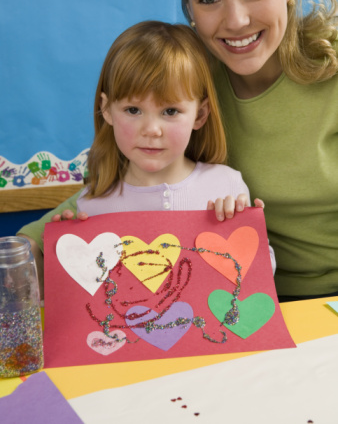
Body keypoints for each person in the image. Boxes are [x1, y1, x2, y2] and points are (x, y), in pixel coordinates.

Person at [18, 21, 272, 298]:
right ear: (107, 109)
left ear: (199, 115)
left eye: (171, 111)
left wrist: (241, 226)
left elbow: (261, 273)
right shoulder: (91, 207)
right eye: (133, 110)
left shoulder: (225, 184)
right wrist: (70, 252)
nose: (151, 129)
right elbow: (78, 302)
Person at [172, 0, 338, 301]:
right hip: (251, 311)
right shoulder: (188, 87)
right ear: (189, 6)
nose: (237, 20)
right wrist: (36, 240)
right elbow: (127, 171)